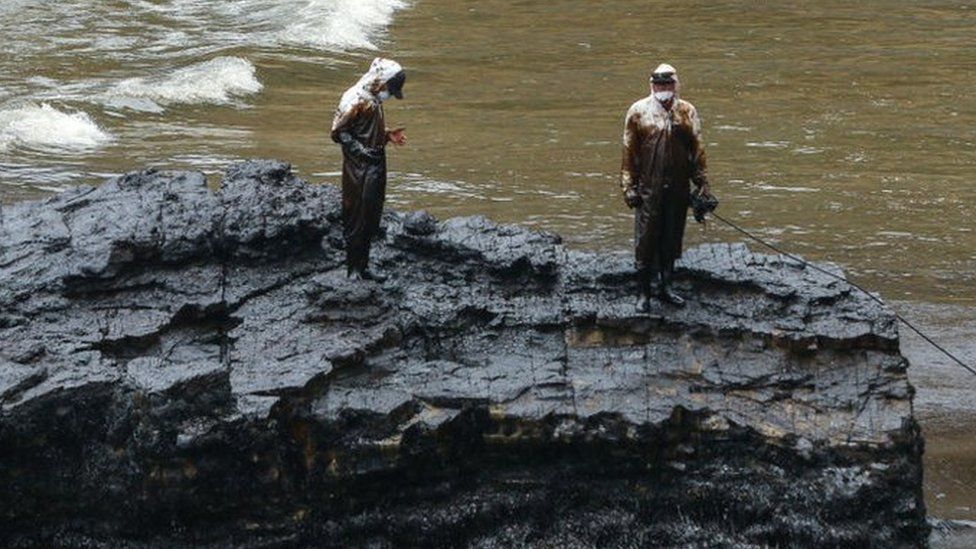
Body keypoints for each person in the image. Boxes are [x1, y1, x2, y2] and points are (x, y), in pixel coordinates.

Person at [620, 63, 711, 310]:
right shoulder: (638, 111)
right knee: (646, 240)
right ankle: (643, 294)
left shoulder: (687, 111)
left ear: (676, 85)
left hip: (679, 187)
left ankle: (666, 286)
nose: (664, 89)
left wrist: (702, 183)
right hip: (649, 188)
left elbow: (698, 150)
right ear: (652, 85)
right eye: (659, 85)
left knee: (672, 237)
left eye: (668, 84)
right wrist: (628, 187)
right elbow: (629, 152)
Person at [331, 58, 407, 281]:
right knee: (358, 217)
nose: (390, 95)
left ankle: (363, 266)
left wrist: (386, 135)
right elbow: (339, 133)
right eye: (390, 89)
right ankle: (353, 270)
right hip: (358, 171)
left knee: (371, 216)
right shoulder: (356, 100)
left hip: (375, 165)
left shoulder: (373, 101)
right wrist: (361, 151)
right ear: (381, 82)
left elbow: (366, 130)